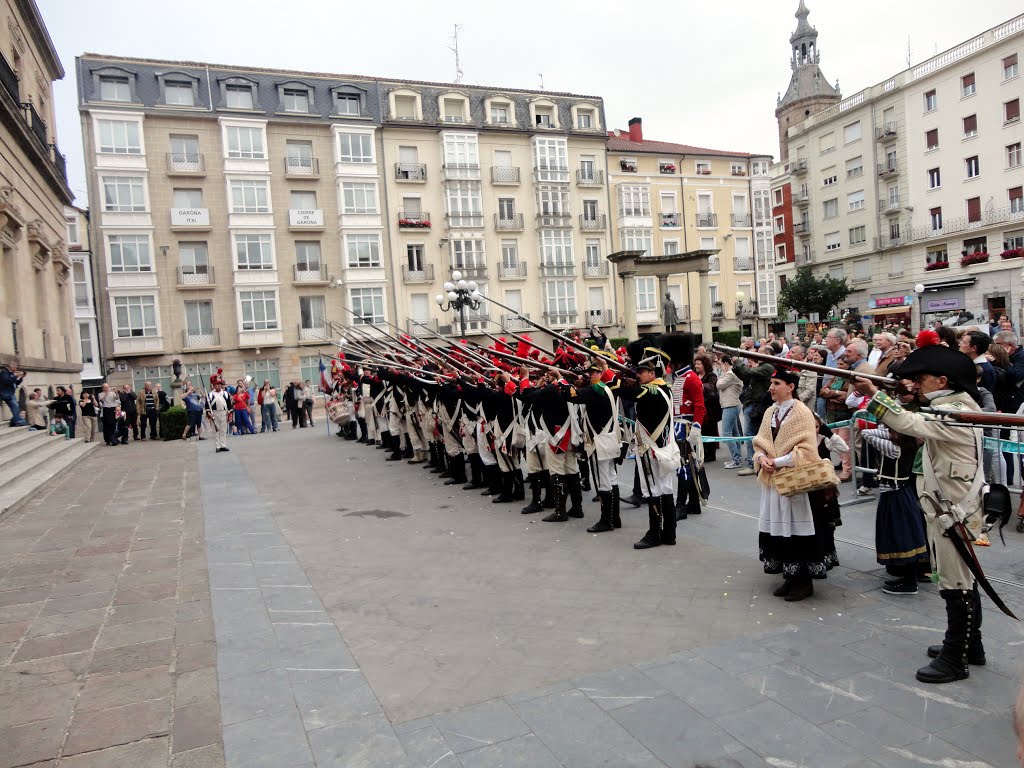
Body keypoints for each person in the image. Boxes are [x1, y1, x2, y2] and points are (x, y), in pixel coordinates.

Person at [854, 343, 986, 683]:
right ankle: (971, 645)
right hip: (948, 506)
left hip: (953, 509)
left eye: (922, 379)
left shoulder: (954, 410)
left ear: (943, 380)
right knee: (961, 577)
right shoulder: (949, 404)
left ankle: (956, 657)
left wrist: (873, 396)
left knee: (957, 582)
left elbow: (910, 423)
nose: (916, 384)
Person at [752, 367, 828, 602]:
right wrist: (761, 457)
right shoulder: (770, 412)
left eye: (776, 383)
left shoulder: (802, 412)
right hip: (773, 479)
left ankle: (803, 581)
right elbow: (760, 441)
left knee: (796, 529)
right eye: (772, 383)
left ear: (790, 387)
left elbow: (806, 448)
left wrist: (777, 460)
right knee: (779, 529)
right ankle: (790, 575)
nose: (771, 388)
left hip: (794, 481)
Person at [613, 341, 678, 549]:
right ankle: (669, 533)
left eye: (642, 371)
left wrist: (609, 375)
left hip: (652, 450)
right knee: (665, 488)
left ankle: (654, 533)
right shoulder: (663, 389)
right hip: (663, 448)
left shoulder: (652, 391)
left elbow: (626, 392)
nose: (638, 375)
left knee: (653, 490)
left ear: (653, 373)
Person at [716, 355, 746, 470]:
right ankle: (736, 457)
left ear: (725, 363)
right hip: (732, 405)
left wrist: (722, 372)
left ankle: (736, 459)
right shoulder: (732, 374)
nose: (720, 366)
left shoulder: (730, 374)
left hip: (730, 405)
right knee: (735, 434)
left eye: (720, 363)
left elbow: (719, 384)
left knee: (727, 433)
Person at [694, 354, 720, 464]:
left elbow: (713, 390)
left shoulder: (711, 376)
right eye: (695, 364)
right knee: (701, 430)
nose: (696, 366)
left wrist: (699, 385)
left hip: (710, 408)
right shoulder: (695, 375)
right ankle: (702, 452)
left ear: (705, 365)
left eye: (698, 364)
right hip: (699, 408)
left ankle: (711, 453)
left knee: (711, 430)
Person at [206, 377, 232, 452]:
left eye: (220, 384)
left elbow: (229, 404)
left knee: (223, 430)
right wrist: (209, 414)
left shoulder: (225, 393)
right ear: (214, 385)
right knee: (216, 430)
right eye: (217, 384)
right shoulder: (210, 395)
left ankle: (223, 445)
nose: (219, 386)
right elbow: (207, 406)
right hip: (214, 413)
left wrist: (230, 413)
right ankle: (218, 446)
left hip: (224, 413)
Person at [0, 360, 26, 426]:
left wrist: (21, 377)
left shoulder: (11, 374)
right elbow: (8, 381)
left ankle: (16, 420)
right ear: (11, 366)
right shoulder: (4, 373)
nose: (16, 369)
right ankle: (16, 421)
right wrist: (16, 376)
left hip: (11, 393)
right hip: (5, 393)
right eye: (15, 367)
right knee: (15, 406)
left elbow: (16, 382)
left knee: (16, 407)